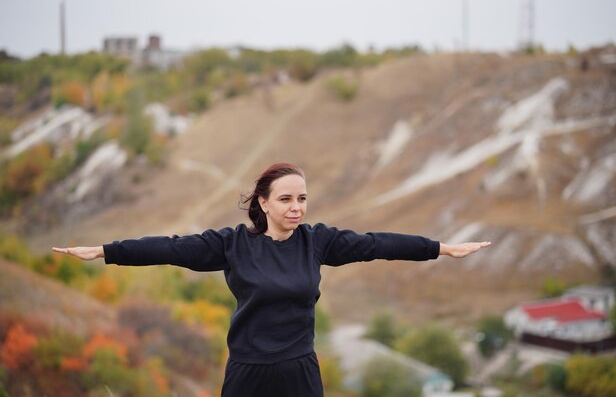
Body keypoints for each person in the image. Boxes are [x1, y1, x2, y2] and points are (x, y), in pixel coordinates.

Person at [53, 163, 491, 397]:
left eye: (302, 198)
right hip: (248, 373)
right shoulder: (230, 245)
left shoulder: (318, 242)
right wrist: (108, 251)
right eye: (286, 199)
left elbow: (377, 244)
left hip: (300, 372)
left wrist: (438, 248)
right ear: (263, 203)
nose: (296, 207)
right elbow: (170, 248)